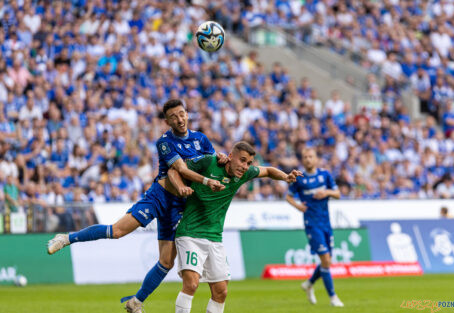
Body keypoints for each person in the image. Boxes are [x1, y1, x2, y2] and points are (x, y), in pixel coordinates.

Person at [47, 99, 226, 313]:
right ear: (167, 121)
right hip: (159, 197)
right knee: (117, 231)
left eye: (182, 114)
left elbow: (213, 163)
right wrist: (207, 182)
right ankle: (66, 238)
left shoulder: (201, 139)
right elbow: (181, 169)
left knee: (166, 262)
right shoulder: (165, 142)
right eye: (173, 117)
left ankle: (135, 302)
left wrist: (222, 159)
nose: (179, 119)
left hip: (180, 205)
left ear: (187, 114)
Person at [169, 141, 302, 313]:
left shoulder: (243, 175)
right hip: (190, 233)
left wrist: (285, 177)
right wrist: (181, 187)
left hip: (215, 237)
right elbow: (175, 169)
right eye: (242, 160)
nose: (245, 166)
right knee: (192, 283)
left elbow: (268, 170)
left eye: (248, 163)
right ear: (230, 157)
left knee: (221, 292)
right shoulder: (209, 162)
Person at [286, 147, 344, 307]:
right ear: (302, 160)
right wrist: (298, 206)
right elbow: (288, 197)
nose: (308, 159)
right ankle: (333, 298)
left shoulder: (325, 175)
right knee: (325, 259)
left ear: (316, 159)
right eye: (305, 157)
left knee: (327, 261)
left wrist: (326, 193)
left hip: (326, 223)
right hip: (311, 224)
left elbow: (338, 194)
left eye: (310, 156)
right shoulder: (300, 178)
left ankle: (309, 284)